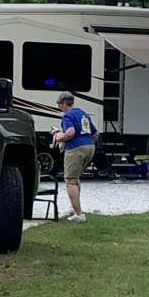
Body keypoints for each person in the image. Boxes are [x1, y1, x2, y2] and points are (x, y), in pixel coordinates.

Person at [53, 93, 96, 221]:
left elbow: (70, 133)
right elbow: (95, 133)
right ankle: (75, 207)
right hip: (90, 147)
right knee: (76, 178)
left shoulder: (67, 116)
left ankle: (79, 214)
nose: (59, 107)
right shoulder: (83, 114)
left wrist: (58, 136)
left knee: (70, 180)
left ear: (65, 103)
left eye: (60, 104)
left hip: (76, 148)